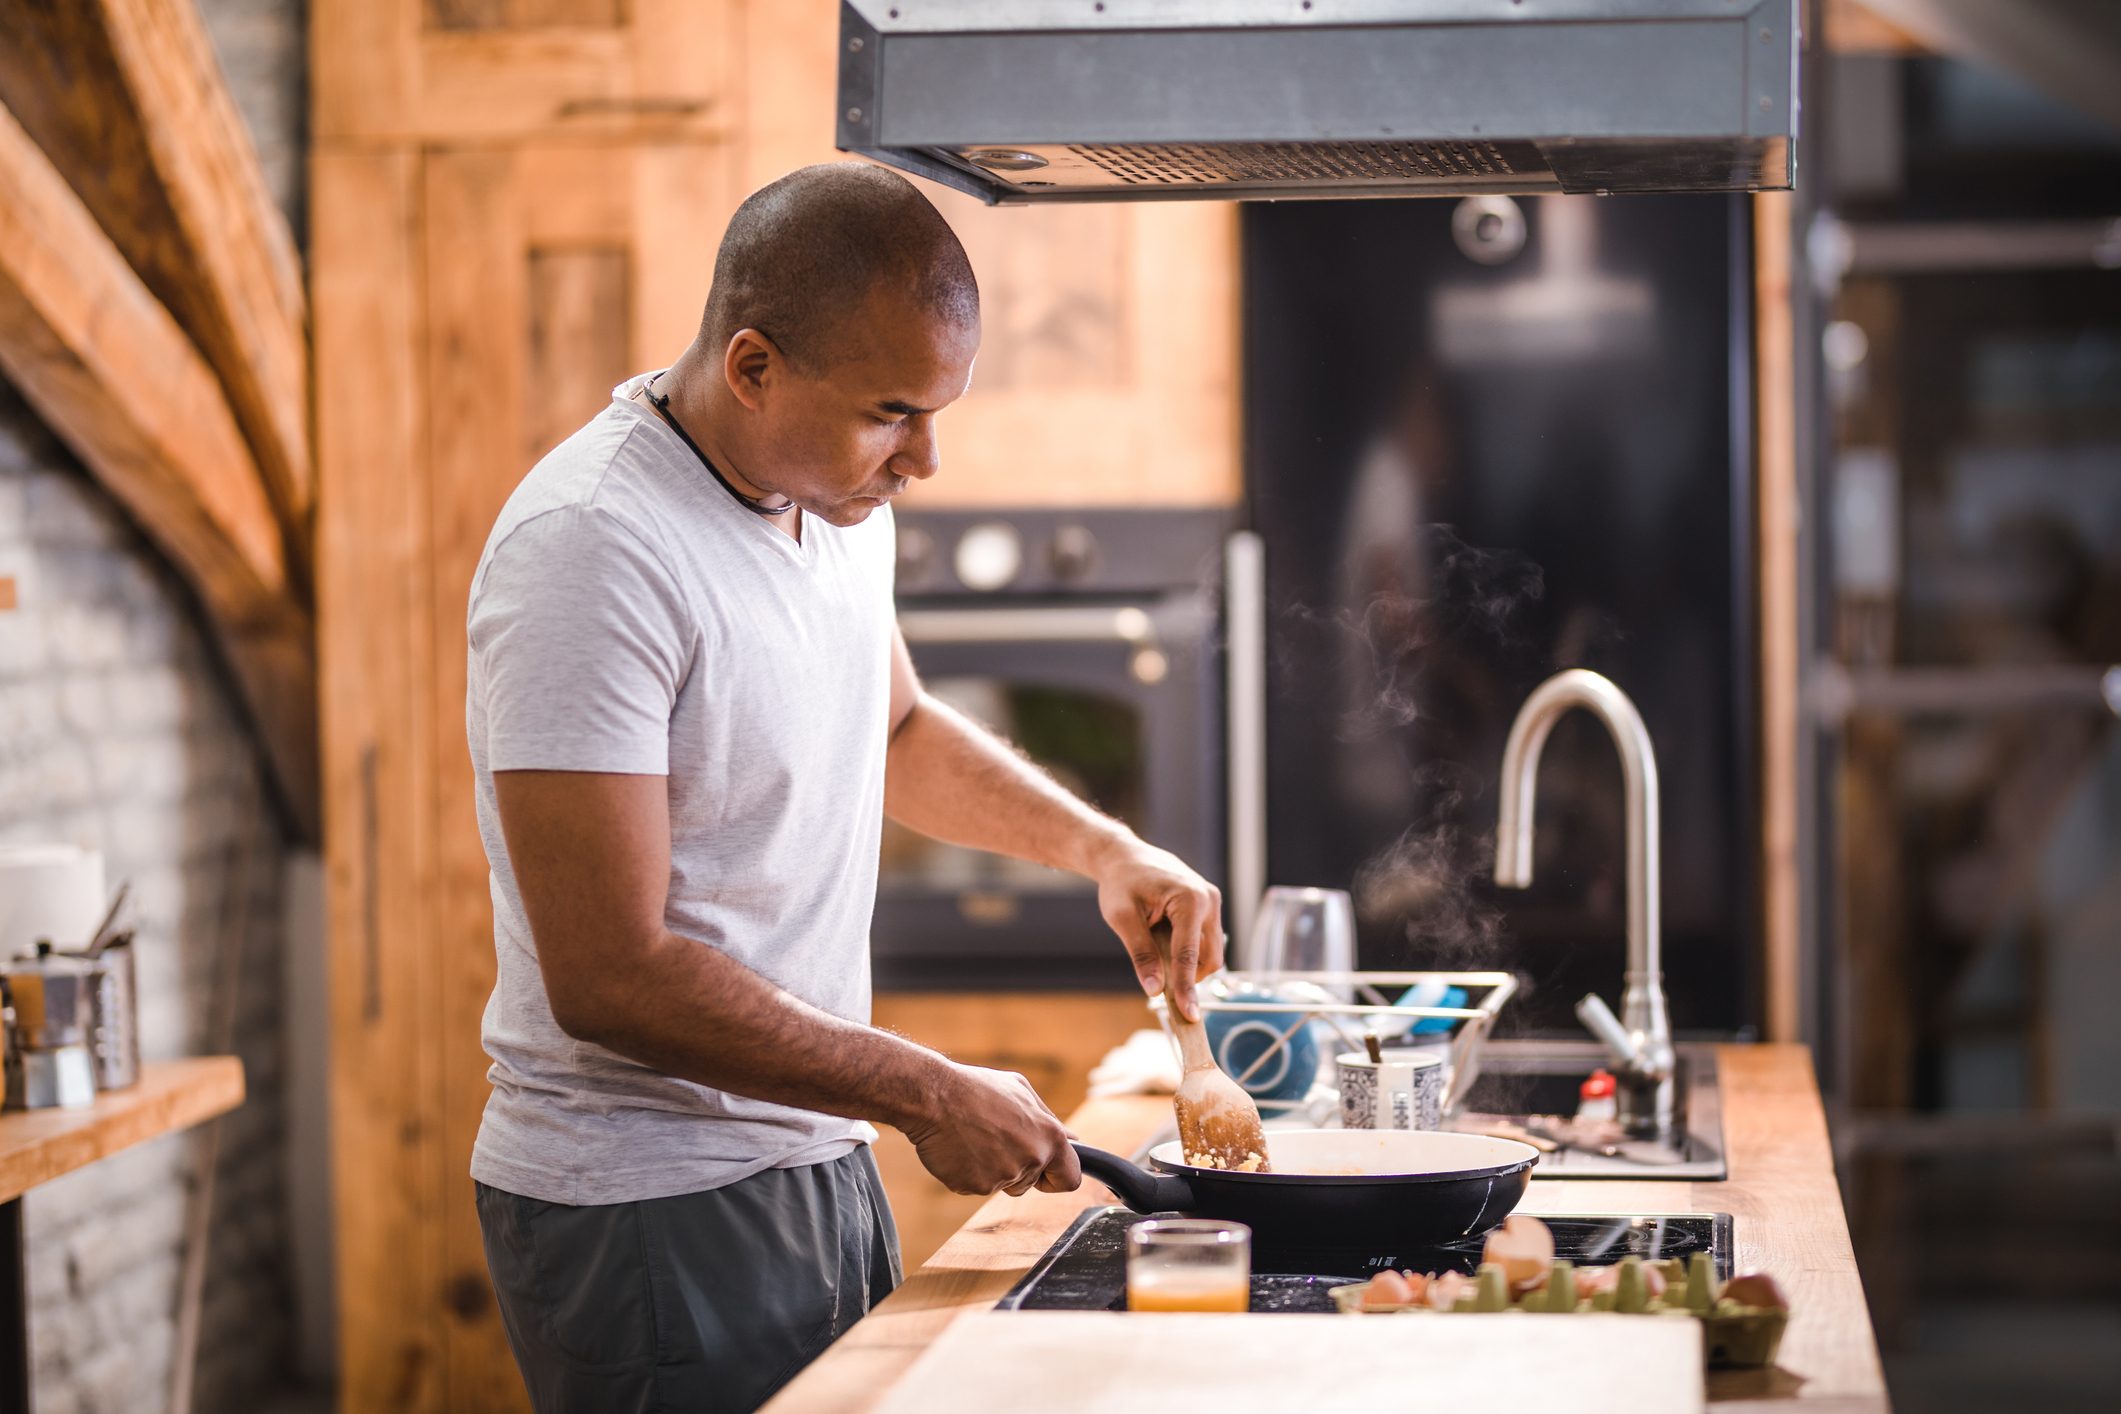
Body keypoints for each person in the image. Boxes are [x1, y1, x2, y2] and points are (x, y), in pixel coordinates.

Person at [464, 162, 1225, 1413]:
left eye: (936, 410)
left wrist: (1101, 848)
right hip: (650, 1201)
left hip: (817, 1151)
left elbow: (900, 729)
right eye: (891, 412)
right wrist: (925, 1086)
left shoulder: (833, 503)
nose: (923, 457)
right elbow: (607, 972)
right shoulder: (593, 548)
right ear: (752, 365)